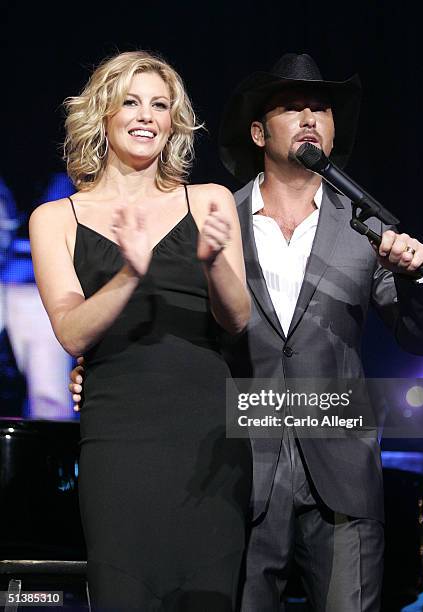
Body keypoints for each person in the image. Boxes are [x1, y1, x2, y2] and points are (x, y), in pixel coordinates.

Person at [70, 53, 423, 611]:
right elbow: (177, 320)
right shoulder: (213, 215)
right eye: (292, 107)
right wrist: (97, 368)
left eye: (321, 108)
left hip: (339, 463)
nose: (309, 117)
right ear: (257, 131)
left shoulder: (366, 227)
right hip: (243, 466)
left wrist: (418, 278)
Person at [30, 50, 252, 611]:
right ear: (102, 114)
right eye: (131, 101)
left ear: (174, 121)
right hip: (119, 440)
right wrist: (131, 271)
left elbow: (237, 319)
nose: (147, 115)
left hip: (207, 440)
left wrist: (213, 260)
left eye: (161, 105)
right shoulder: (55, 219)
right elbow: (72, 333)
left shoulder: (208, 201)